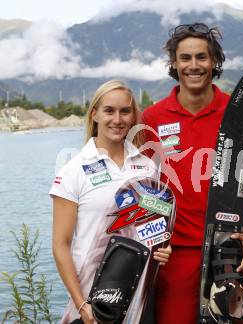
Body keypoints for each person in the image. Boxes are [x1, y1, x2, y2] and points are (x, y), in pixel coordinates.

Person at [141, 22, 243, 323]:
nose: (194, 65)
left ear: (214, 62)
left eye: (202, 57)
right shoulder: (152, 118)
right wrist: (151, 242)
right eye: (185, 58)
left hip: (233, 251)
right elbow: (143, 188)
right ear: (174, 63)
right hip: (175, 259)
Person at [50, 80, 172, 324]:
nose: (117, 119)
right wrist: (81, 304)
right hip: (91, 303)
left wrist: (162, 248)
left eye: (125, 111)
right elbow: (60, 245)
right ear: (94, 114)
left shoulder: (147, 167)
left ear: (133, 116)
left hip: (139, 298)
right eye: (109, 111)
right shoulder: (74, 170)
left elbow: (152, 228)